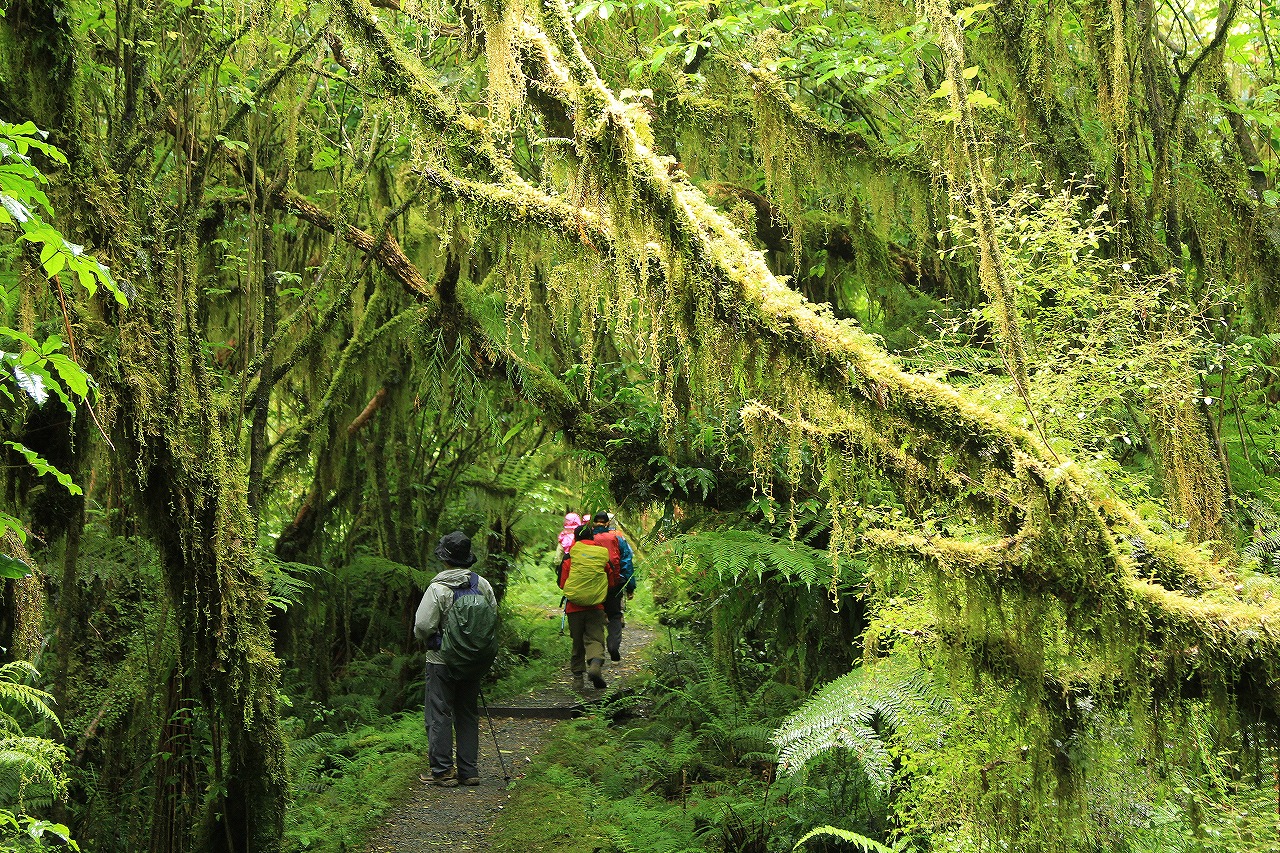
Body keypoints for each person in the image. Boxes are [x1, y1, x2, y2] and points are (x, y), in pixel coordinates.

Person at [413, 530, 497, 787]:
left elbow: (423, 625)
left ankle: (442, 771)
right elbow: (492, 616)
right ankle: (469, 771)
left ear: (445, 559)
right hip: (472, 662)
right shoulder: (482, 584)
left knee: (439, 713)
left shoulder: (438, 588)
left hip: (441, 660)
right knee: (467, 713)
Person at [559, 524, 616, 689]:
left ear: (575, 538)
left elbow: (563, 584)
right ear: (592, 537)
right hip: (596, 607)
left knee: (577, 642)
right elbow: (611, 582)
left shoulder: (570, 558)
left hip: (574, 608)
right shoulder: (601, 557)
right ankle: (595, 665)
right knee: (596, 639)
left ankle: (578, 678)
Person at [590, 511, 636, 662]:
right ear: (607, 523)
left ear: (593, 522)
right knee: (615, 614)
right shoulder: (617, 538)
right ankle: (613, 646)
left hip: (593, 585)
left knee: (595, 616)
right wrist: (630, 586)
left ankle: (596, 654)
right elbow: (626, 561)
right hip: (615, 584)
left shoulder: (588, 538)